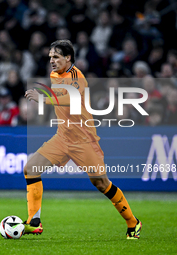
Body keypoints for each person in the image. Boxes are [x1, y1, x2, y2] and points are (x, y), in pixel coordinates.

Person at [24, 40, 142, 239]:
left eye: (56, 57)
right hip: (62, 137)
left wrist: (43, 99)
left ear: (68, 58)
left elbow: (72, 99)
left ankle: (133, 222)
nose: (52, 61)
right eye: (50, 57)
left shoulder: (77, 76)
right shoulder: (55, 75)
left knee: (102, 184)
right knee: (31, 168)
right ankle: (34, 222)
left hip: (83, 140)